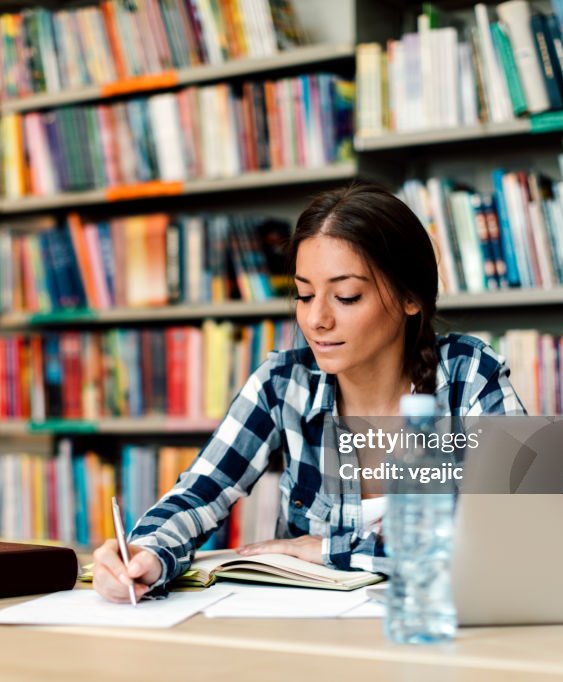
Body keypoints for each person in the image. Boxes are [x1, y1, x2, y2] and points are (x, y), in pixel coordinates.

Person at [92, 180, 528, 603]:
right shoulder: (283, 384)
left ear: (411, 297)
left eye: (347, 296)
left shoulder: (469, 376)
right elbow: (200, 492)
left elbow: (517, 534)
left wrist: (329, 550)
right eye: (304, 294)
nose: (316, 319)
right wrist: (146, 553)